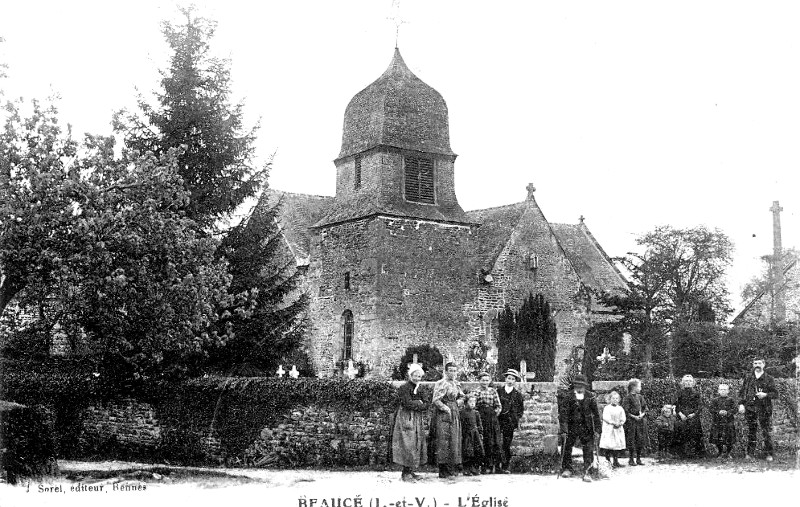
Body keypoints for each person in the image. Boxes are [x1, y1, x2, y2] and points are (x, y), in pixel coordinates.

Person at [558, 374, 601, 482]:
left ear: (585, 386)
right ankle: (567, 468)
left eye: (582, 385)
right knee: (567, 446)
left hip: (586, 426)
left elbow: (596, 415)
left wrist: (597, 430)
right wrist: (564, 429)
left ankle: (587, 471)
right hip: (571, 426)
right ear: (574, 385)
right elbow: (563, 415)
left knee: (588, 449)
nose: (579, 387)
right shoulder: (568, 397)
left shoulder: (590, 396)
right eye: (577, 385)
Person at [392, 363, 429, 481]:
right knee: (407, 443)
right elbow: (407, 403)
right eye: (415, 375)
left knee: (416, 443)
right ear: (410, 375)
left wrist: (418, 403)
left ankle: (411, 471)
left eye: (419, 376)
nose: (417, 378)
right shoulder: (404, 388)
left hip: (417, 418)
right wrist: (419, 402)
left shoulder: (421, 388)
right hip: (406, 418)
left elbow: (427, 404)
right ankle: (405, 473)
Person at [738, 357, 778, 461]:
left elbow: (775, 394)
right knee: (752, 431)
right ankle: (750, 454)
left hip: (764, 409)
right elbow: (742, 392)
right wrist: (741, 404)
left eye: (759, 363)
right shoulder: (748, 378)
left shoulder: (769, 378)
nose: (757, 365)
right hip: (750, 408)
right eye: (755, 363)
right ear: (753, 365)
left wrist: (765, 394)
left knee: (766, 432)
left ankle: (769, 454)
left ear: (763, 364)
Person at [432, 362, 465, 478]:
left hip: (455, 412)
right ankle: (443, 469)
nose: (452, 373)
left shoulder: (456, 384)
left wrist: (458, 403)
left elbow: (462, 397)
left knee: (454, 440)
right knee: (443, 440)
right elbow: (436, 400)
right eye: (450, 370)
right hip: (443, 414)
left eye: (454, 371)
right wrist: (446, 408)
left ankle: (452, 468)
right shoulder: (441, 383)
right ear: (446, 371)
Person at [473, 371, 503, 474]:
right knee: (484, 442)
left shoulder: (493, 391)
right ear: (479, 381)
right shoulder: (476, 392)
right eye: (483, 380)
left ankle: (493, 466)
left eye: (487, 380)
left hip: (492, 419)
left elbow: (498, 406)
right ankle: (484, 466)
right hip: (481, 419)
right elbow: (474, 406)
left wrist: (493, 415)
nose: (485, 382)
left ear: (489, 381)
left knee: (493, 442)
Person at [496, 368, 524, 473]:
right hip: (499, 421)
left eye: (512, 379)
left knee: (507, 444)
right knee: (497, 443)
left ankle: (505, 466)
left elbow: (520, 410)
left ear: (515, 381)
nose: (510, 380)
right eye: (508, 378)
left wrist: (515, 418)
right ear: (505, 379)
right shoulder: (499, 391)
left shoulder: (517, 394)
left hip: (509, 422)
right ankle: (496, 466)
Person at [673, 374, 705, 458]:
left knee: (695, 434)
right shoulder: (679, 393)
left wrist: (694, 414)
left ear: (693, 382)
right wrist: (680, 414)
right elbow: (675, 405)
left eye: (690, 381)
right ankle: (681, 454)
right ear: (683, 382)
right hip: (681, 416)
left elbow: (700, 406)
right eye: (686, 381)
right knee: (680, 433)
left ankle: (696, 454)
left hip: (693, 417)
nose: (688, 382)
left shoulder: (696, 393)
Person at [622, 378, 649, 466]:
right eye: (639, 386)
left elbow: (645, 408)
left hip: (640, 422)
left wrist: (642, 414)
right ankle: (631, 459)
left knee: (640, 440)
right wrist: (634, 417)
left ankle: (638, 458)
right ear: (634, 387)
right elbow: (625, 411)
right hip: (631, 422)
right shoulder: (627, 398)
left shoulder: (640, 397)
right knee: (631, 440)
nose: (640, 388)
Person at [599, 390, 626, 468]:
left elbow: (623, 417)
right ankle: (608, 462)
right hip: (609, 428)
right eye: (613, 398)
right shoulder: (607, 408)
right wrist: (613, 423)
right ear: (610, 399)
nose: (615, 400)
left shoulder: (620, 408)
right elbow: (606, 418)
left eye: (617, 398)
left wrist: (620, 423)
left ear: (619, 400)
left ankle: (616, 461)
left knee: (616, 445)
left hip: (618, 429)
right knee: (608, 445)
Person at [709, 383, 736, 459]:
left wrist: (727, 412)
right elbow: (711, 409)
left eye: (725, 390)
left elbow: (735, 409)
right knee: (717, 438)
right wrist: (718, 412)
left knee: (729, 438)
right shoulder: (715, 400)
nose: (723, 391)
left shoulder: (731, 400)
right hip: (717, 422)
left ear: (728, 391)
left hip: (728, 422)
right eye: (721, 389)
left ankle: (728, 453)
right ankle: (720, 452)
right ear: (718, 391)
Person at [460, 393, 484, 476]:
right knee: (468, 452)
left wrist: (480, 433)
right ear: (466, 403)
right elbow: (461, 424)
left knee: (477, 451)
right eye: (470, 402)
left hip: (475, 434)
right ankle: (466, 469)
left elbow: (479, 424)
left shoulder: (476, 412)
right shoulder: (462, 412)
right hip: (467, 435)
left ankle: (475, 468)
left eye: (474, 402)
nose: (473, 403)